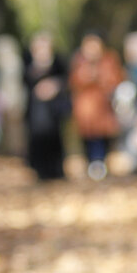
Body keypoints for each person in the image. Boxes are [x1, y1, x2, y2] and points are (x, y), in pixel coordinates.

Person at [69, 32, 123, 180]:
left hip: (104, 107)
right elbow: (74, 81)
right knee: (88, 137)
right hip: (85, 109)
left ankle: (101, 163)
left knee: (104, 137)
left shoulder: (109, 60)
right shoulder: (79, 61)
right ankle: (92, 163)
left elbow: (115, 79)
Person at [22, 32, 69, 181]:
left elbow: (67, 80)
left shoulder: (58, 63)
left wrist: (54, 86)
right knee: (38, 140)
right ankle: (40, 171)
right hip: (36, 111)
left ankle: (56, 169)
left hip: (53, 111)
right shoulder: (28, 64)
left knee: (54, 139)